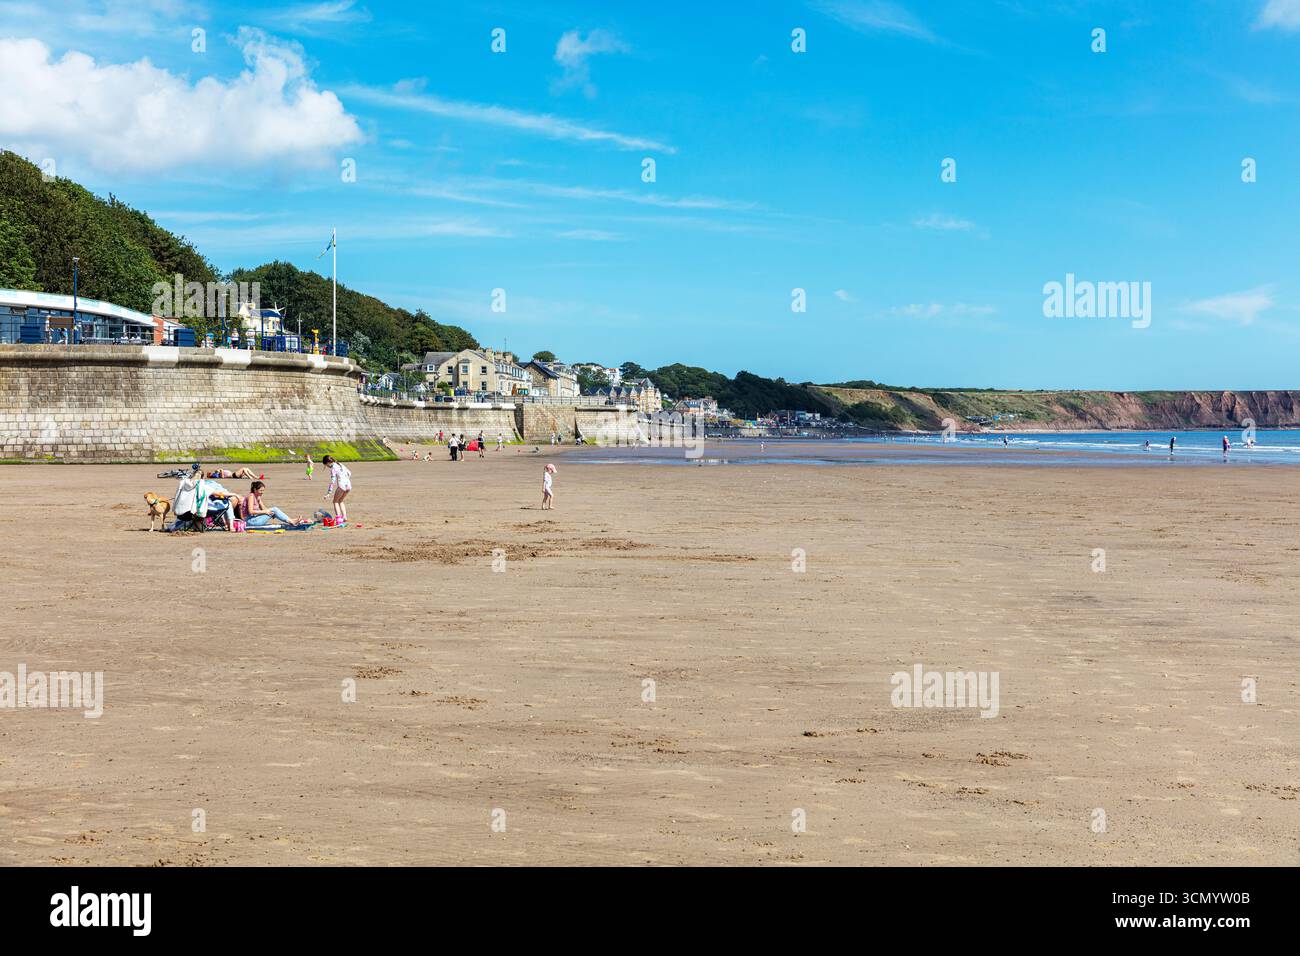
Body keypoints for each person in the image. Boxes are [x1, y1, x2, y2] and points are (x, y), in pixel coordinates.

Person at [322, 455, 352, 523]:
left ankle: (338, 519)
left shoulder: (333, 469)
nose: (327, 466)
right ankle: (344, 517)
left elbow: (332, 482)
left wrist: (329, 493)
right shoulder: (340, 464)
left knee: (335, 502)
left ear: (328, 463)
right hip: (349, 485)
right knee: (341, 501)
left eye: (326, 465)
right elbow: (349, 473)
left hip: (342, 486)